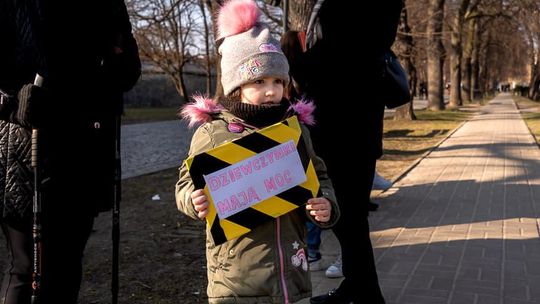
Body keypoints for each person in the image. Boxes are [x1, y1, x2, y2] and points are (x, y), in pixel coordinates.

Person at [175, 0, 339, 302]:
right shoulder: (213, 133)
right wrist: (192, 199)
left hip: (292, 271)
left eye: (278, 81)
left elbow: (320, 175)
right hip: (237, 281)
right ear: (236, 86)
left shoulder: (295, 130)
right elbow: (185, 182)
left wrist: (326, 205)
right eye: (259, 81)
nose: (271, 90)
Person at [0, 0, 141, 303]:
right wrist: (13, 99)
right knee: (28, 270)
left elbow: (126, 72)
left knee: (66, 268)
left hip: (84, 148)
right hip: (27, 149)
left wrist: (122, 58)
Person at [295, 1, 404, 303]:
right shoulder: (378, 20)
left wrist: (296, 59)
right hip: (359, 134)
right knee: (352, 220)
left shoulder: (356, 22)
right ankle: (359, 288)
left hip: (341, 135)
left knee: (347, 219)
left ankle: (365, 293)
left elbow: (337, 53)